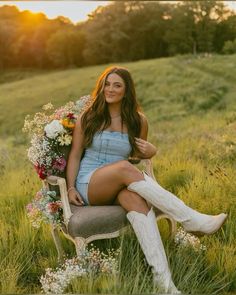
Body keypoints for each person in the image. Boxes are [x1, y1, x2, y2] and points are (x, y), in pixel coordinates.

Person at [66, 66, 227, 294]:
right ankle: (189, 218)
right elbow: (74, 154)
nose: (110, 89)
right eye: (107, 84)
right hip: (89, 184)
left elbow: (135, 158)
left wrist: (150, 152)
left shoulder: (138, 121)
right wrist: (71, 187)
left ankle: (164, 283)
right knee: (122, 168)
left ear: (126, 90)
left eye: (117, 85)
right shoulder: (89, 117)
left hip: (119, 184)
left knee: (138, 203)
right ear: (101, 87)